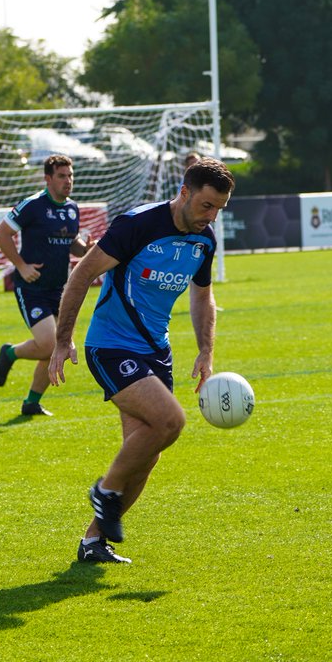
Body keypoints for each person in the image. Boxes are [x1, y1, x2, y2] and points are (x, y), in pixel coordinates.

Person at [49, 157, 235, 564]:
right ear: (184, 192)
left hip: (156, 350)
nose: (211, 216)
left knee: (146, 456)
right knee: (172, 421)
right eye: (206, 205)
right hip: (111, 345)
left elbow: (202, 296)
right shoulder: (137, 224)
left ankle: (93, 541)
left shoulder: (205, 241)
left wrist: (207, 350)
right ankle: (105, 491)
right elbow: (81, 275)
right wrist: (63, 341)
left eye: (219, 208)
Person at [0, 155, 94, 416]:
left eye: (70, 175)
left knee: (56, 347)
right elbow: (2, 234)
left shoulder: (72, 208)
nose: (68, 181)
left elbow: (72, 243)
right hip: (32, 288)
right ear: (48, 179)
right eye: (62, 176)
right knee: (50, 344)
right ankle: (10, 353)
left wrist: (85, 249)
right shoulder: (33, 205)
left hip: (60, 290)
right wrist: (21, 265)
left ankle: (31, 403)